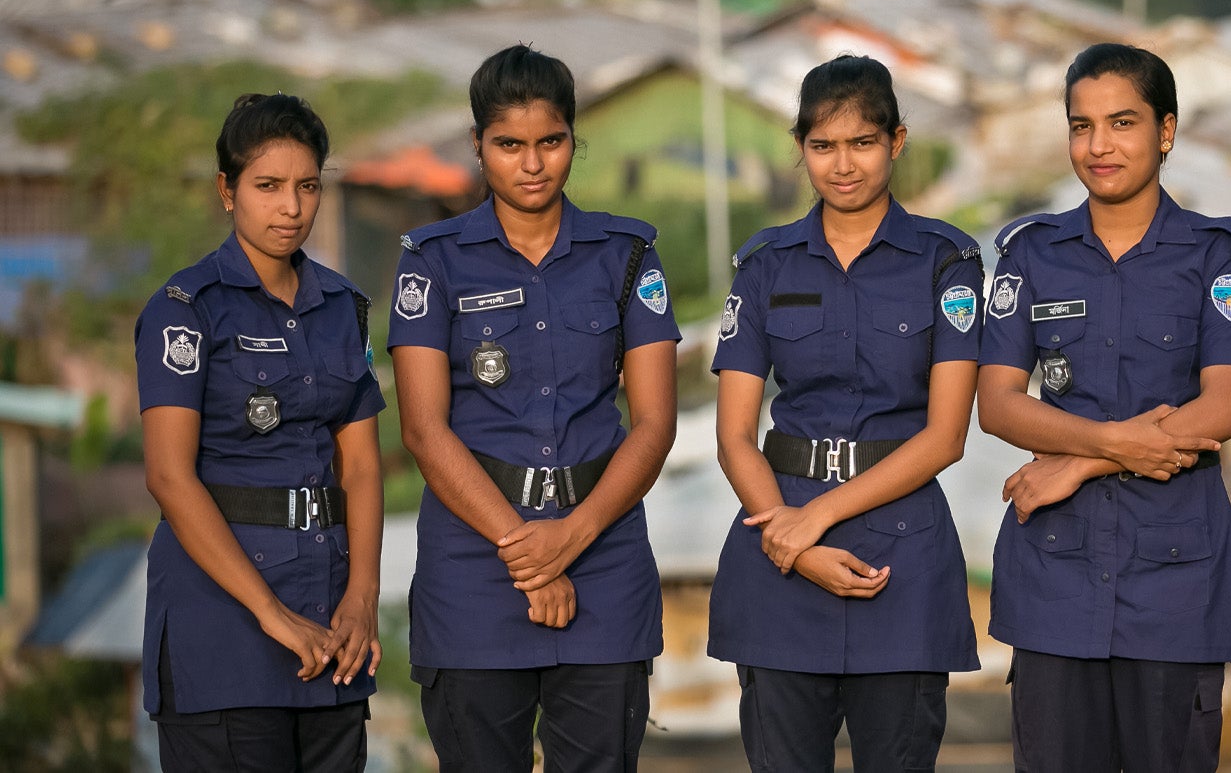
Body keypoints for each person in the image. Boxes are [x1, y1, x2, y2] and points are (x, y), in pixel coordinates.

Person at [387, 44, 678, 773]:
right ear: (478, 146)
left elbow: (654, 424)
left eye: (549, 142)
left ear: (572, 139)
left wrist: (571, 537)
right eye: (508, 144)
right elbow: (423, 429)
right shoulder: (432, 260)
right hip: (475, 564)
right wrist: (531, 555)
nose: (532, 163)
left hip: (603, 550)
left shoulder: (628, 254)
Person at [976, 43, 1231, 771]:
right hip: (1055, 579)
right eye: (1081, 125)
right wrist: (1116, 443)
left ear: (1165, 131)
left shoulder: (1216, 256)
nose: (1098, 145)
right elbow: (998, 404)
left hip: (1175, 581)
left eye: (1121, 122)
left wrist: (1076, 461)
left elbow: (1226, 404)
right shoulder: (1029, 254)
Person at [707, 54, 982, 772]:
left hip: (901, 552)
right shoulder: (766, 264)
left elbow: (946, 435)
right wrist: (788, 538)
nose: (843, 165)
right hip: (778, 546)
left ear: (896, 141)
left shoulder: (945, 262)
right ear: (799, 149)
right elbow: (735, 434)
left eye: (862, 142)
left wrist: (814, 522)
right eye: (822, 145)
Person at [135, 93, 385, 771]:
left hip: (332, 629)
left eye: (307, 186)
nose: (291, 207)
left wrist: (362, 598)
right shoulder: (185, 310)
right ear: (227, 190)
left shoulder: (340, 307)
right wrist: (270, 613)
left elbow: (360, 465)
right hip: (227, 635)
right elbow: (167, 474)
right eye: (267, 186)